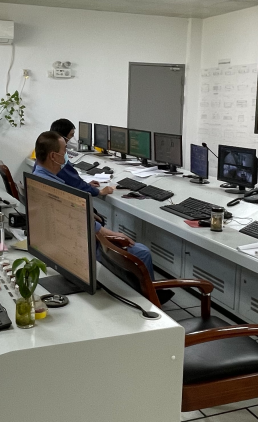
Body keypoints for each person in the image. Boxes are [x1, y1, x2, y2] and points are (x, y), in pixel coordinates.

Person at [31, 132, 172, 305]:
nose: (66, 154)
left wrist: (89, 215)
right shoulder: (56, 189)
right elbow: (84, 226)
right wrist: (113, 234)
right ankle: (151, 299)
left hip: (64, 243)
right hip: (81, 248)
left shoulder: (39, 176)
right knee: (141, 251)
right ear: (53, 156)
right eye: (65, 150)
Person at [48, 118, 114, 197]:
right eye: (71, 135)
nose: (72, 138)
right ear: (62, 137)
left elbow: (72, 180)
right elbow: (72, 180)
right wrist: (99, 192)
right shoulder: (58, 156)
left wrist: (85, 184)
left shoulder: (48, 150)